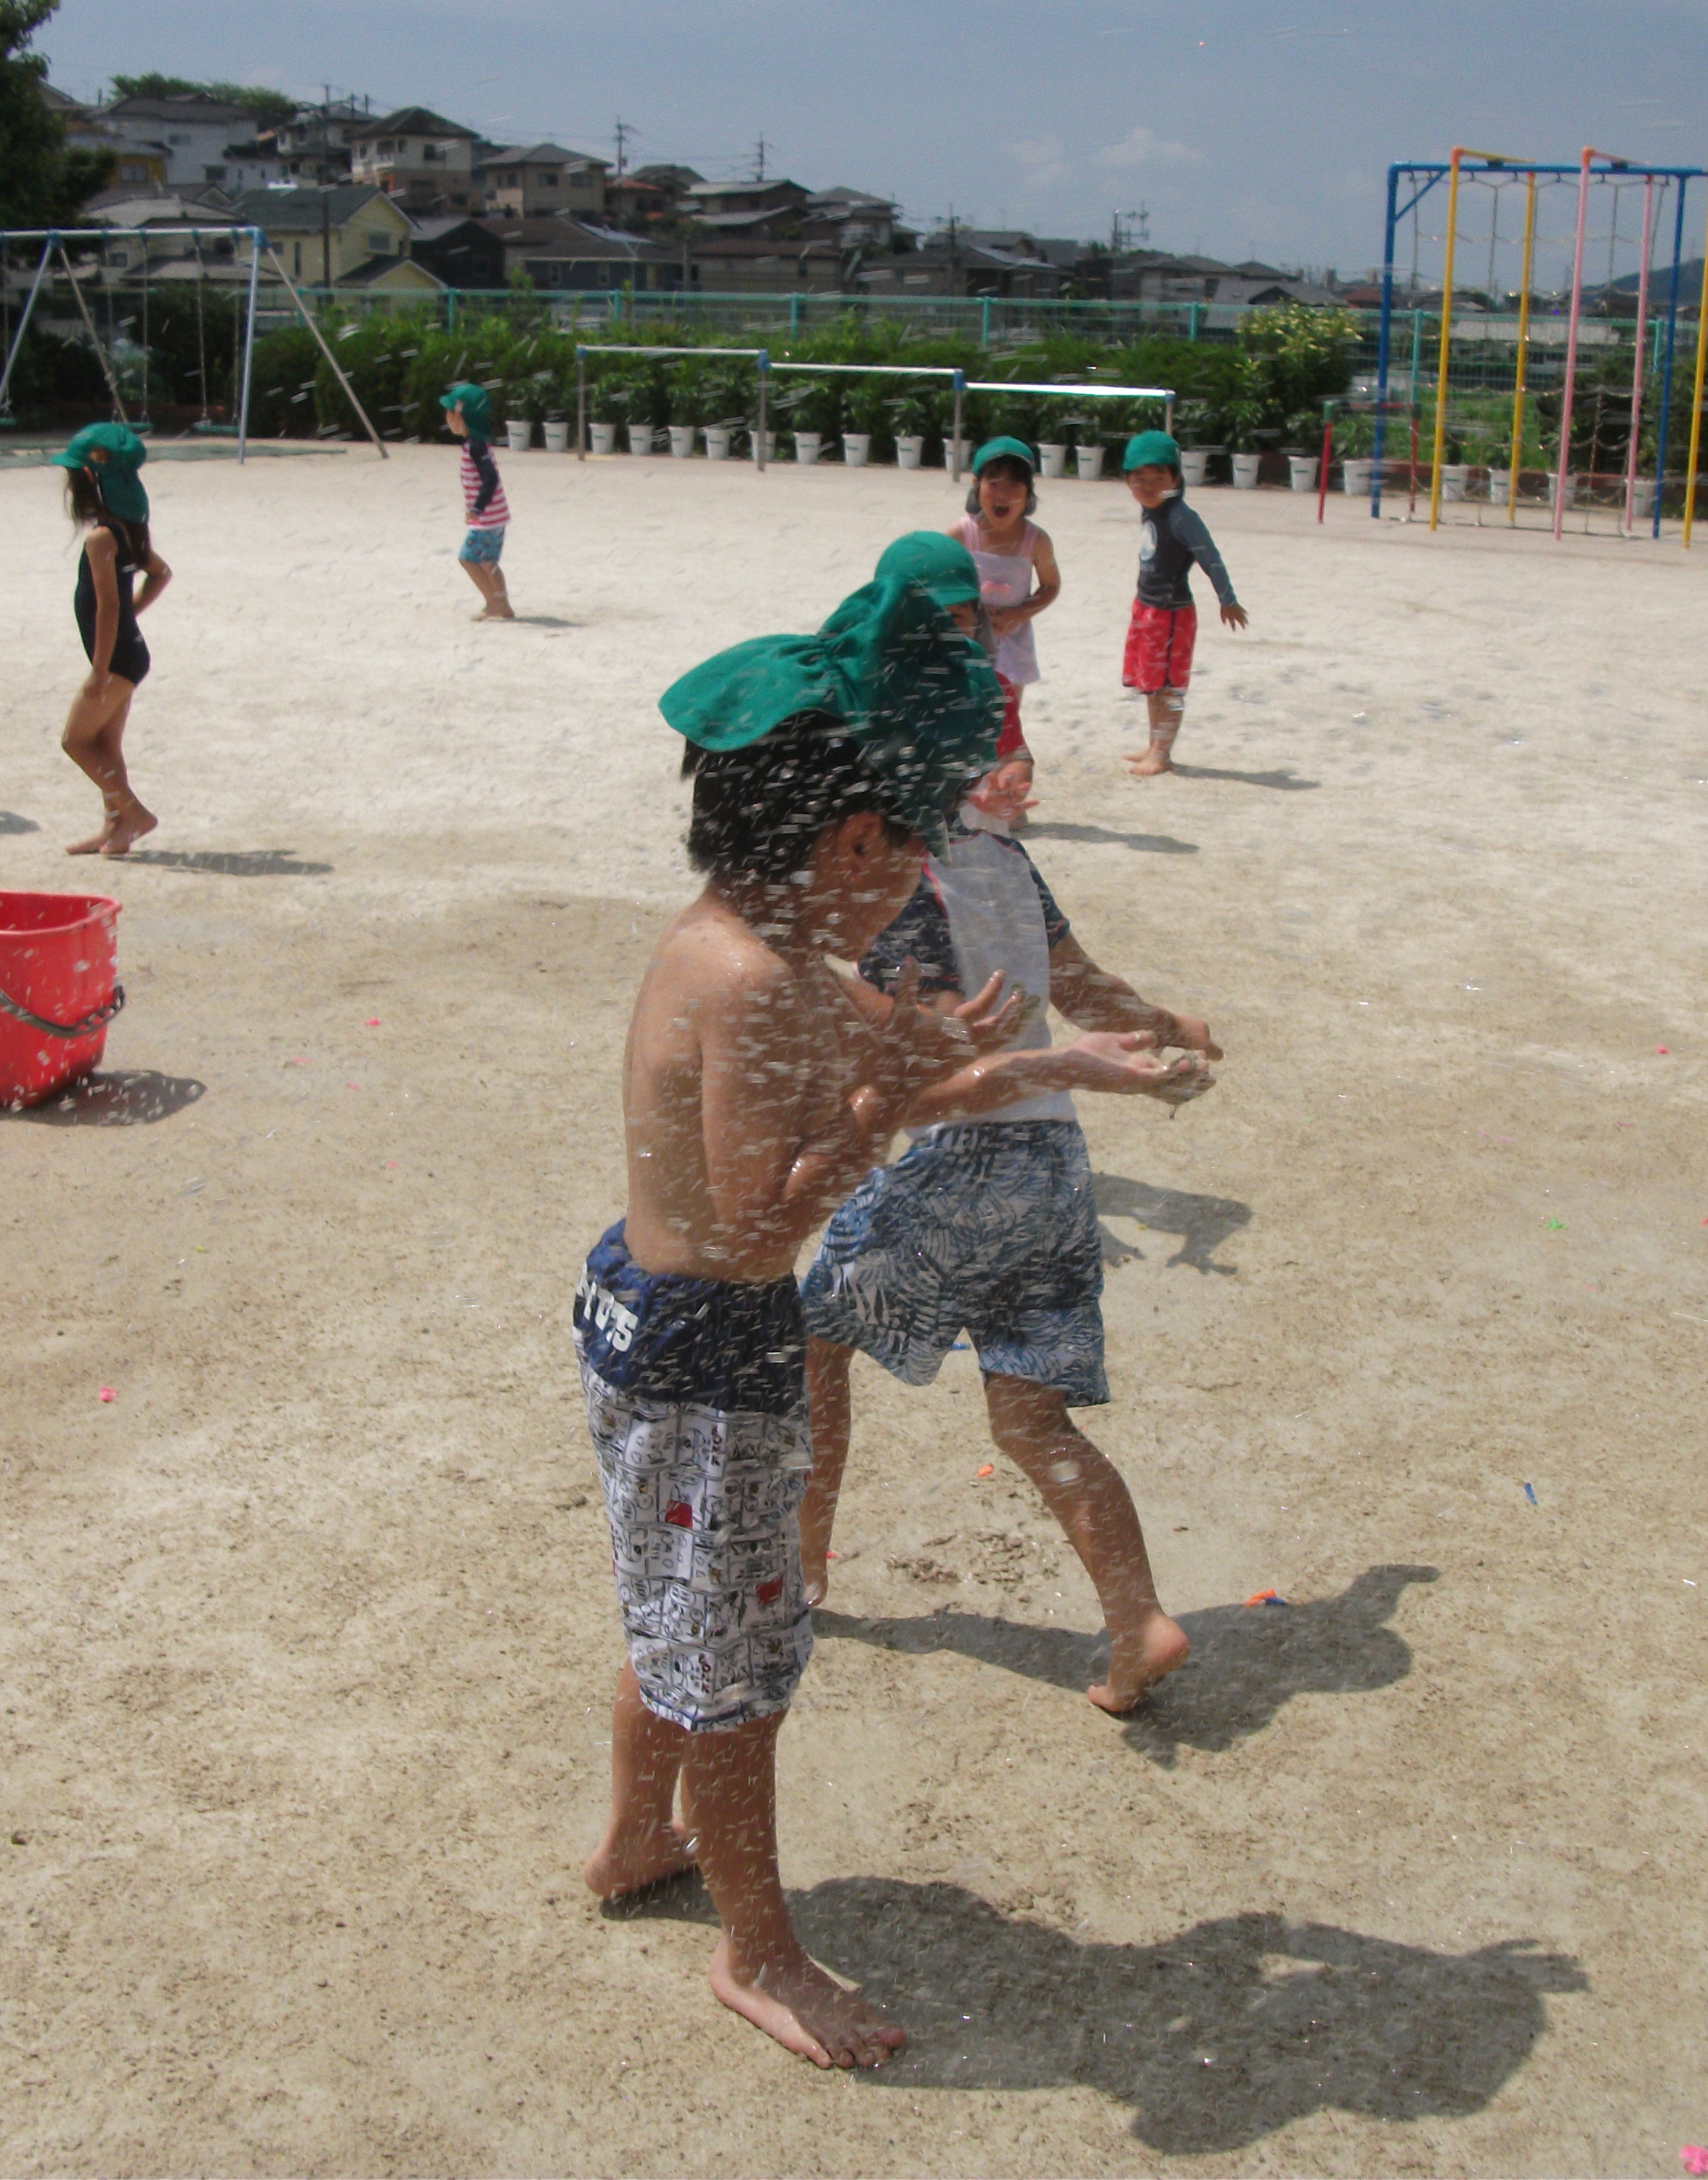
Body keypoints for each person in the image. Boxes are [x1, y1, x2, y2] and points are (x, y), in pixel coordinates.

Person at [577, 550, 1186, 2067]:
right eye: (904, 855)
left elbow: (918, 1065)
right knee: (737, 1678)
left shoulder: (758, 943)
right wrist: (867, 1112)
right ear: (851, 839)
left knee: (678, 1616)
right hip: (706, 1350)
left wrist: (1055, 1065)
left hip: (652, 1322)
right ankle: (759, 1954)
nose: (912, 884)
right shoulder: (749, 983)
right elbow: (759, 1217)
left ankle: (634, 1840)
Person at [796, 727, 1222, 1710]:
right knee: (1033, 1419)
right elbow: (1082, 988)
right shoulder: (1008, 859)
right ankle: (1136, 1621)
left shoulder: (900, 875)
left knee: (814, 1344)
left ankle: (802, 1564)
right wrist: (1169, 1026)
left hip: (957, 1152)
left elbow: (946, 1043)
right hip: (1050, 1158)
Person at [52, 422, 169, 857]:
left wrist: (99, 672)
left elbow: (108, 607)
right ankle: (115, 829)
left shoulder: (102, 538)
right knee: (105, 744)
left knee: (75, 741)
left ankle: (136, 814)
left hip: (117, 660)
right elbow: (161, 574)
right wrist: (131, 618)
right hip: (130, 652)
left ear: (89, 482)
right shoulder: (127, 531)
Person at [1117, 428, 1250, 778]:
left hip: (1171, 614)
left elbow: (1210, 556)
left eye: (1158, 477)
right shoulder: (1152, 510)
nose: (1148, 486)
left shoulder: (1181, 517)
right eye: (1139, 478)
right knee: (1151, 684)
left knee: (1170, 687)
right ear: (1127, 481)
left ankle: (1163, 752)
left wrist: (1227, 598)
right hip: (1147, 607)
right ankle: (1154, 742)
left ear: (1175, 479)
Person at [955, 435, 1061, 759]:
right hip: (969, 637)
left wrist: (1020, 613)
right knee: (964, 705)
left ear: (1028, 494)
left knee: (1005, 710)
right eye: (994, 484)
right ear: (976, 485)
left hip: (1011, 639)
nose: (1003, 495)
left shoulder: (1035, 540)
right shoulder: (962, 534)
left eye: (1015, 486)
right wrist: (968, 613)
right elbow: (938, 581)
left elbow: (1050, 586)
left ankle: (1001, 767)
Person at [440, 382, 512, 621]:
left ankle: (494, 603)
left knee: (468, 559)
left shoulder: (475, 447)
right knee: (488, 561)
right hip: (496, 516)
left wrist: (477, 508)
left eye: (449, 412)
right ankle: (502, 604)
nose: (447, 417)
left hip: (487, 518)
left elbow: (490, 479)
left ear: (460, 416)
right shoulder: (478, 445)